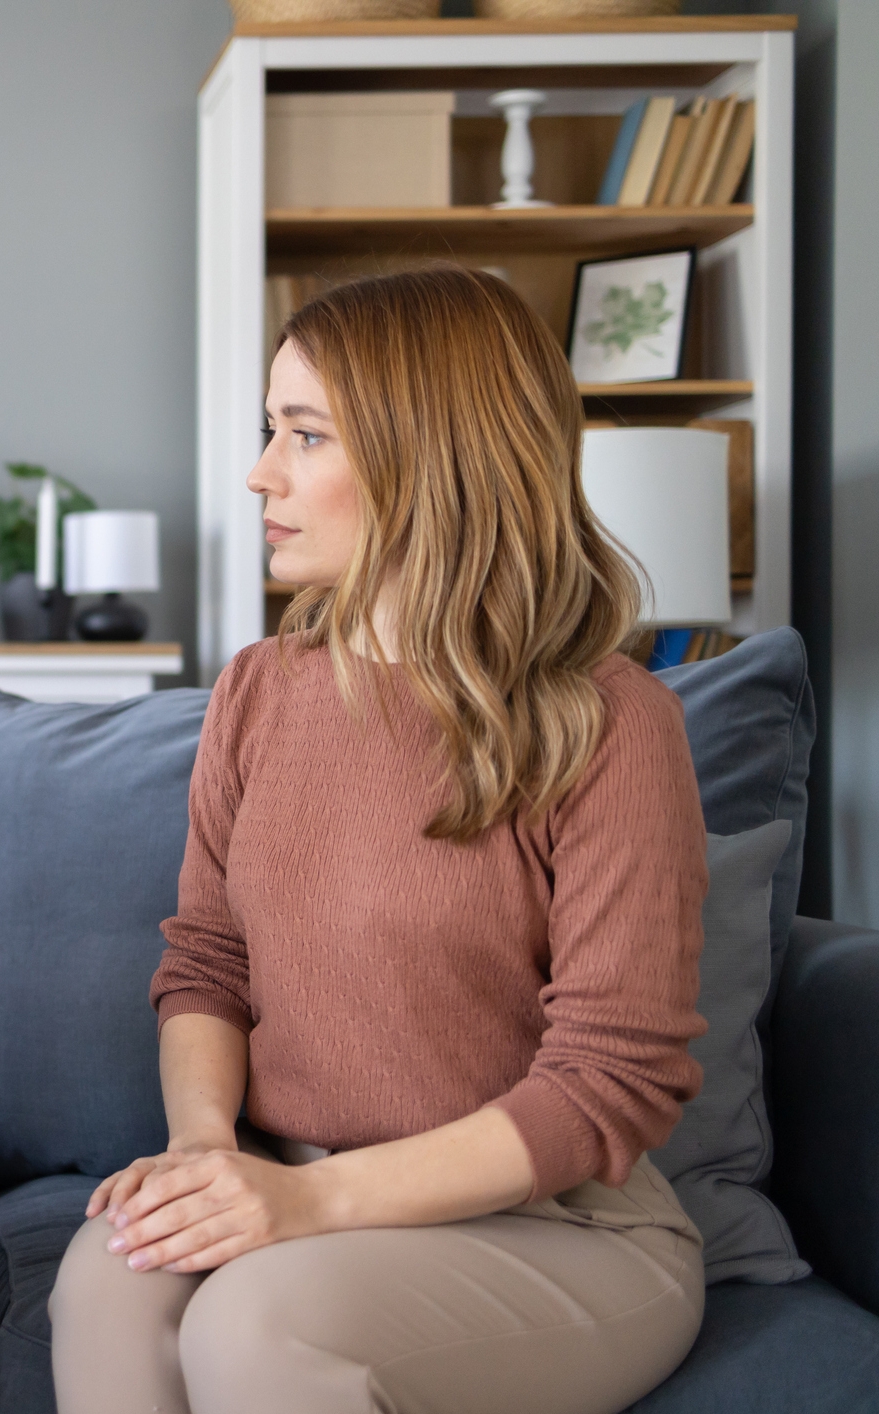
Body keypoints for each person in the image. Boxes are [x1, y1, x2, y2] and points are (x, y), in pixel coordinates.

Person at [47, 266, 708, 1414]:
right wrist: (208, 1148)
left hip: (554, 1228)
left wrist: (304, 1207)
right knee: (108, 1278)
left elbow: (612, 1081)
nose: (260, 473)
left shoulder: (612, 722)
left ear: (432, 457)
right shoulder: (259, 690)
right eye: (270, 429)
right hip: (295, 1178)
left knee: (261, 1329)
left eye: (304, 435)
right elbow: (208, 960)